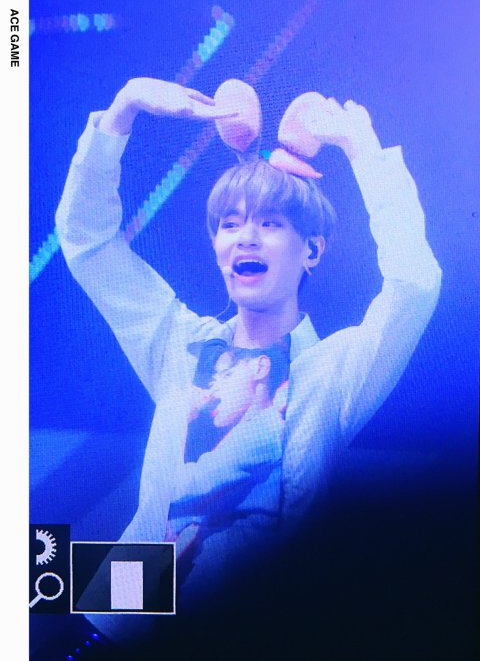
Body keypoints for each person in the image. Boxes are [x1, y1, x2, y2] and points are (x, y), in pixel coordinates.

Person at [55, 77, 441, 640]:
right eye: (230, 224)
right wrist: (123, 108)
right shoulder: (179, 344)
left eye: (270, 223)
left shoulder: (331, 373)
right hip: (113, 630)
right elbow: (86, 241)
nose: (245, 238)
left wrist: (362, 149)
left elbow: (415, 283)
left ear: (312, 250)